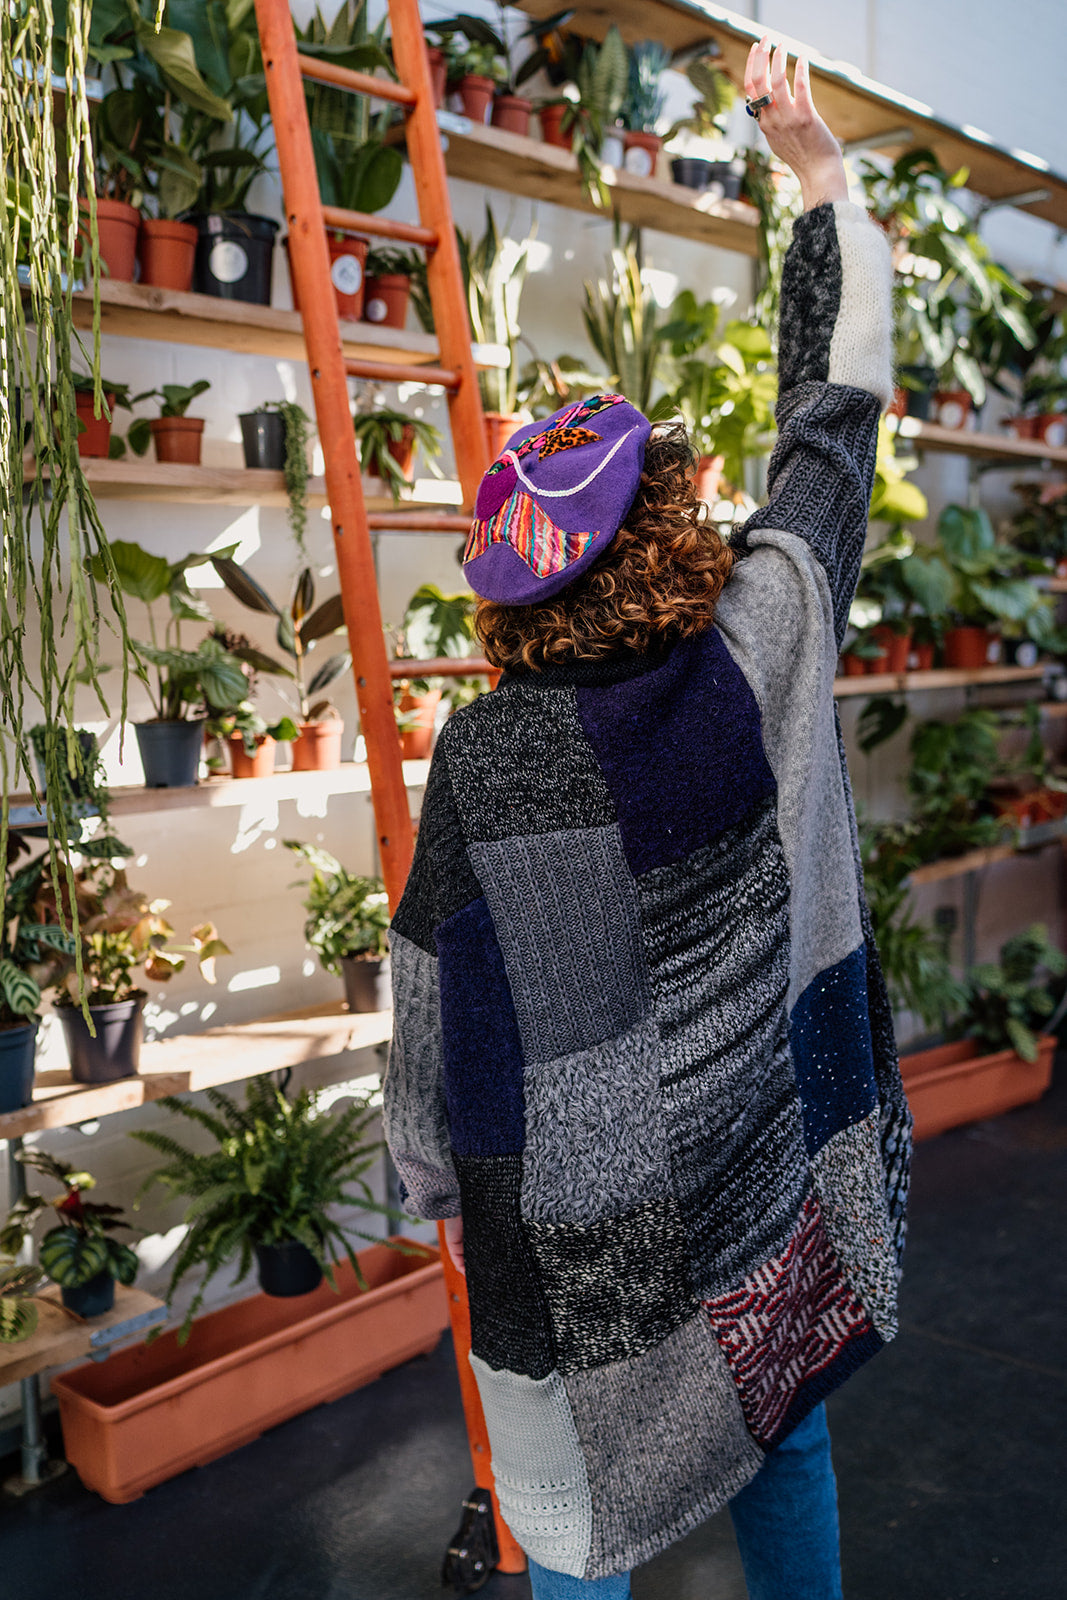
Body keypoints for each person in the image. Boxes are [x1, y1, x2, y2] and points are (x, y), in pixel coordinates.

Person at [383, 36, 910, 1600]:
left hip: (571, 1229)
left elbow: (429, 996)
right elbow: (839, 407)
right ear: (673, 525)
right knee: (790, 1439)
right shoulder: (767, 638)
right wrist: (818, 174)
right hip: (766, 1169)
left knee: (574, 1525)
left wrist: (432, 1193)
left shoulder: (491, 757)